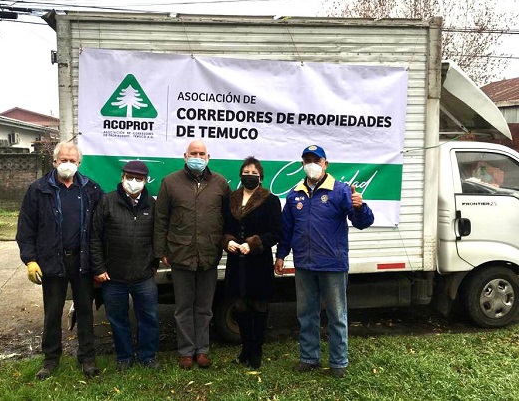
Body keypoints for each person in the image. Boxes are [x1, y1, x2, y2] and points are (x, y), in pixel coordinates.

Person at [275, 145, 374, 378]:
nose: (312, 164)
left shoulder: (340, 191)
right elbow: (287, 229)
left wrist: (361, 207)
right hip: (304, 265)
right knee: (306, 315)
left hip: (332, 265)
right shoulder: (294, 194)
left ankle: (338, 362)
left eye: (316, 160)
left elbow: (362, 222)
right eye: (307, 160)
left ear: (325, 164)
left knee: (337, 316)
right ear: (302, 164)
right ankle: (309, 358)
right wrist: (280, 255)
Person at [16, 141, 104, 380]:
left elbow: (101, 228)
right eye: (63, 160)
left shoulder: (91, 189)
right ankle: (51, 359)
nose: (67, 164)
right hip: (52, 261)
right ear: (54, 161)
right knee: (53, 312)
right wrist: (30, 260)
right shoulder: (38, 189)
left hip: (82, 260)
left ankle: (87, 358)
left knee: (85, 311)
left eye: (72, 160)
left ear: (79, 163)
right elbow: (26, 228)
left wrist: (100, 262)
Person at [154, 139, 230, 369]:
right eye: (193, 153)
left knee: (204, 307)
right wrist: (161, 250)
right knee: (183, 308)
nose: (198, 157)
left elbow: (228, 218)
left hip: (209, 254)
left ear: (208, 157)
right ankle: (186, 351)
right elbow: (161, 219)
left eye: (201, 154)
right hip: (180, 254)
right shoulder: (170, 182)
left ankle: (202, 350)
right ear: (185, 157)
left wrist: (226, 243)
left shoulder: (220, 184)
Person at [90, 160, 160, 371]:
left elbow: (157, 237)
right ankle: (124, 357)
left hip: (143, 276)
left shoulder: (152, 205)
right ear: (122, 178)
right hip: (113, 277)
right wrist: (99, 268)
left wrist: (154, 263)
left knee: (148, 318)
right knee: (118, 319)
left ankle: (148, 357)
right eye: (129, 177)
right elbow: (94, 237)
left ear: (145, 181)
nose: (133, 182)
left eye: (138, 178)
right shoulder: (107, 201)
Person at [221, 156, 282, 369]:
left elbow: (276, 232)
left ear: (261, 177)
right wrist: (227, 241)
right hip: (236, 261)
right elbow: (224, 227)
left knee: (259, 305)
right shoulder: (231, 198)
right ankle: (245, 350)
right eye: (246, 173)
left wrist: (253, 244)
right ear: (240, 175)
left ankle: (257, 351)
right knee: (240, 305)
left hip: (259, 261)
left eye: (254, 173)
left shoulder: (270, 200)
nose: (250, 176)